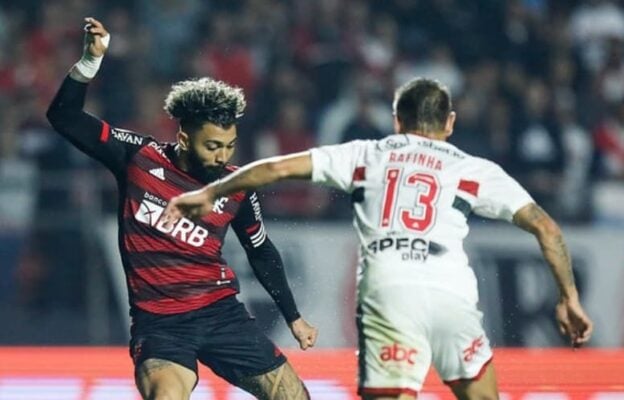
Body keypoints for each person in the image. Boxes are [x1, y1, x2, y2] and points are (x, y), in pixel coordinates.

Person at [164, 77, 594, 399]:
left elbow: (275, 169)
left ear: (396, 120)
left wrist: (211, 191)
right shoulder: (473, 169)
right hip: (451, 293)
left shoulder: (367, 154)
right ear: (450, 123)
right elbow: (546, 226)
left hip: (390, 290)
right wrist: (569, 297)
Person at [46, 18, 317, 400]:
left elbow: (261, 251)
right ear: (185, 137)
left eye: (230, 145)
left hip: (222, 315)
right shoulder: (138, 156)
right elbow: (64, 118)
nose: (223, 156)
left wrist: (293, 317)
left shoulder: (237, 185)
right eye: (213, 147)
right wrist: (90, 62)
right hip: (160, 325)